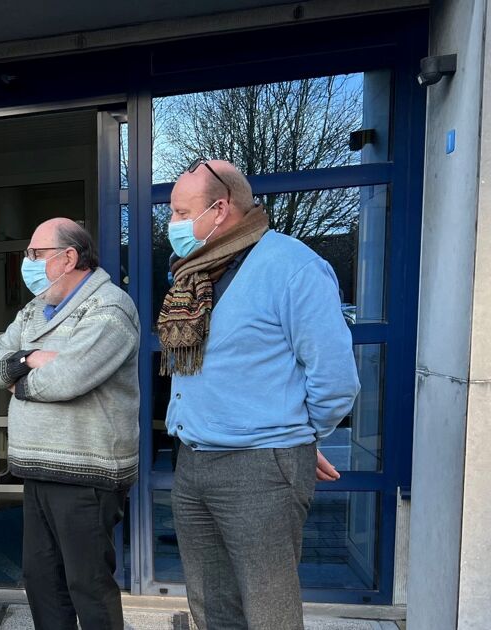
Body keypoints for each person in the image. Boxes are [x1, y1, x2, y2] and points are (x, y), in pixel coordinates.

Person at [160, 159, 359, 629]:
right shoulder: (194, 275)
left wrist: (292, 437)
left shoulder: (291, 267)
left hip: (260, 468)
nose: (172, 224)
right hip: (192, 462)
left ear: (220, 208)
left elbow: (335, 380)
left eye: (179, 211)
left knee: (268, 609)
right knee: (210, 604)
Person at [0, 218, 140, 630]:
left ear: (69, 257)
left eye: (36, 254)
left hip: (84, 472)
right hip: (36, 468)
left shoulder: (110, 307)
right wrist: (29, 359)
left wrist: (19, 383)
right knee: (42, 582)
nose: (27, 262)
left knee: (87, 585)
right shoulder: (34, 308)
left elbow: (68, 378)